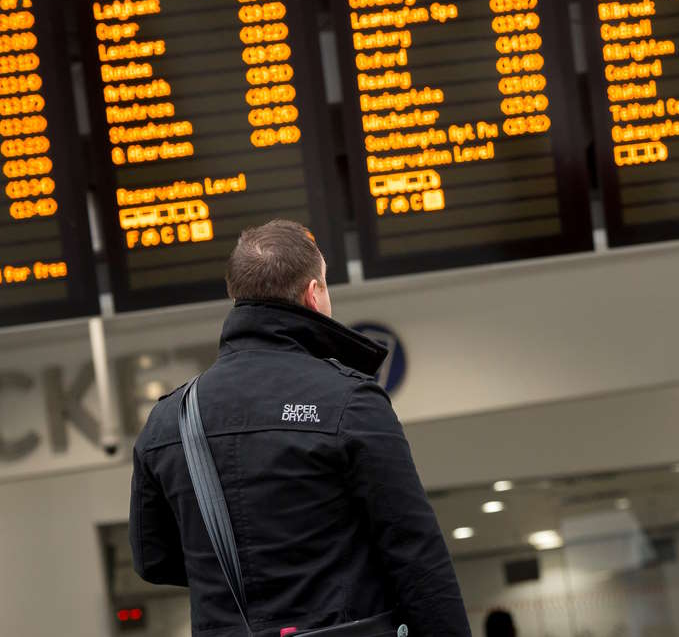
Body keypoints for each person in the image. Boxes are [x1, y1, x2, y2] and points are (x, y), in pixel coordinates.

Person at [129, 220, 470, 635]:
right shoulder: (349, 400)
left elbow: (153, 560)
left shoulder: (169, 420)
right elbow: (417, 557)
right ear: (313, 295)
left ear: (235, 295)